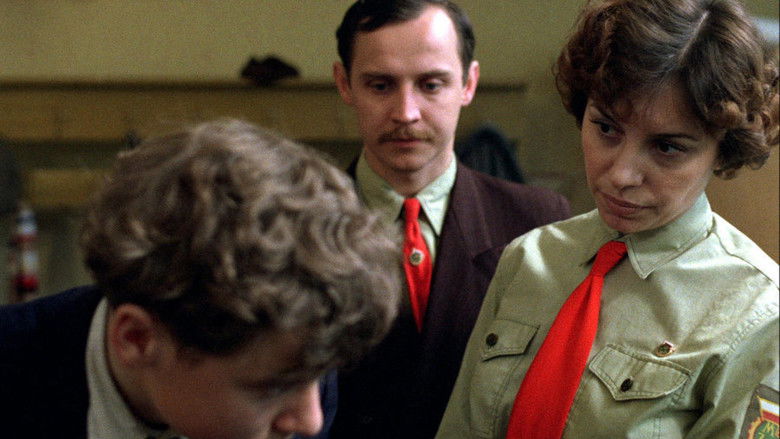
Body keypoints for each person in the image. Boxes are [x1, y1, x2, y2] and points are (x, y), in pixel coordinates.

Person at [436, 0, 779, 437]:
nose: (621, 175)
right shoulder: (528, 259)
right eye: (606, 128)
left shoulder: (757, 313)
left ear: (722, 150)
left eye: (667, 147)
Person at [0, 119, 403, 439]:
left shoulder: (300, 353)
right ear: (136, 339)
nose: (310, 421)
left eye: (318, 377)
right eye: (272, 388)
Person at [330, 1, 572, 438]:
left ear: (468, 83)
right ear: (345, 84)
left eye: (430, 85)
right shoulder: (295, 227)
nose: (406, 112)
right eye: (381, 85)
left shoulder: (540, 224)